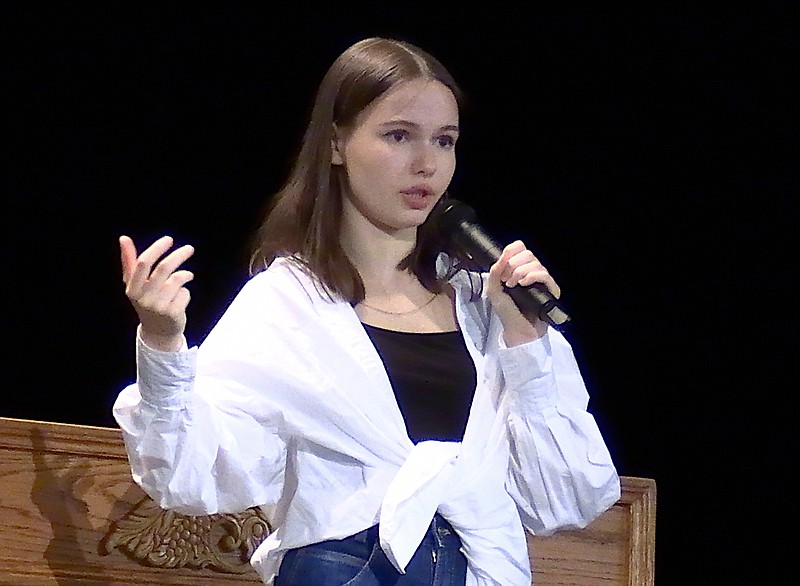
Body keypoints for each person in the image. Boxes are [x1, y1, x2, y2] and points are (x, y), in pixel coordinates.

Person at [113, 36, 620, 586]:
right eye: (399, 136)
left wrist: (526, 343)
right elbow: (194, 473)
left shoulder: (486, 307)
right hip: (348, 568)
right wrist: (162, 344)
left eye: (444, 141)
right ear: (337, 143)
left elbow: (568, 498)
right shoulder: (290, 304)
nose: (426, 163)